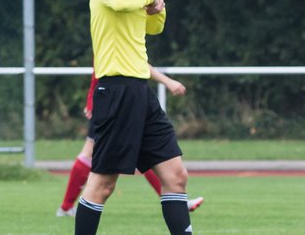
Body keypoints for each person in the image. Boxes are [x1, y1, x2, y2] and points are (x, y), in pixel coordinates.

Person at [68, 0, 242, 235]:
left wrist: (156, 9)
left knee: (175, 175)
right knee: (103, 184)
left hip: (140, 94)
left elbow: (150, 27)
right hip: (115, 92)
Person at [56, 67, 204, 216]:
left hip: (111, 98)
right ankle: (66, 207)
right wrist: (168, 81)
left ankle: (66, 207)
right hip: (113, 100)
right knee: (95, 158)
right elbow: (124, 63)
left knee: (136, 153)